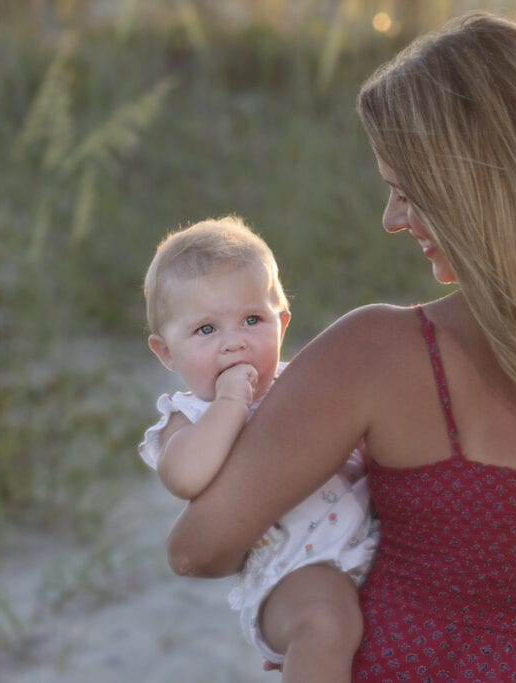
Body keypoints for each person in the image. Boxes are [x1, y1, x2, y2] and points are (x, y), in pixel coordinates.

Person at [164, 12, 516, 683]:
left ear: (476, 190)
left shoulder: (381, 355)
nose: (392, 219)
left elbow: (199, 546)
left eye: (406, 191)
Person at [138, 216, 378, 681]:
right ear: (166, 352)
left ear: (282, 323)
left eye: (253, 320)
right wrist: (231, 401)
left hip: (372, 546)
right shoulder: (187, 415)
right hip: (295, 569)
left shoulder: (303, 383)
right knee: (325, 622)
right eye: (206, 330)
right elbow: (185, 477)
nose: (235, 343)